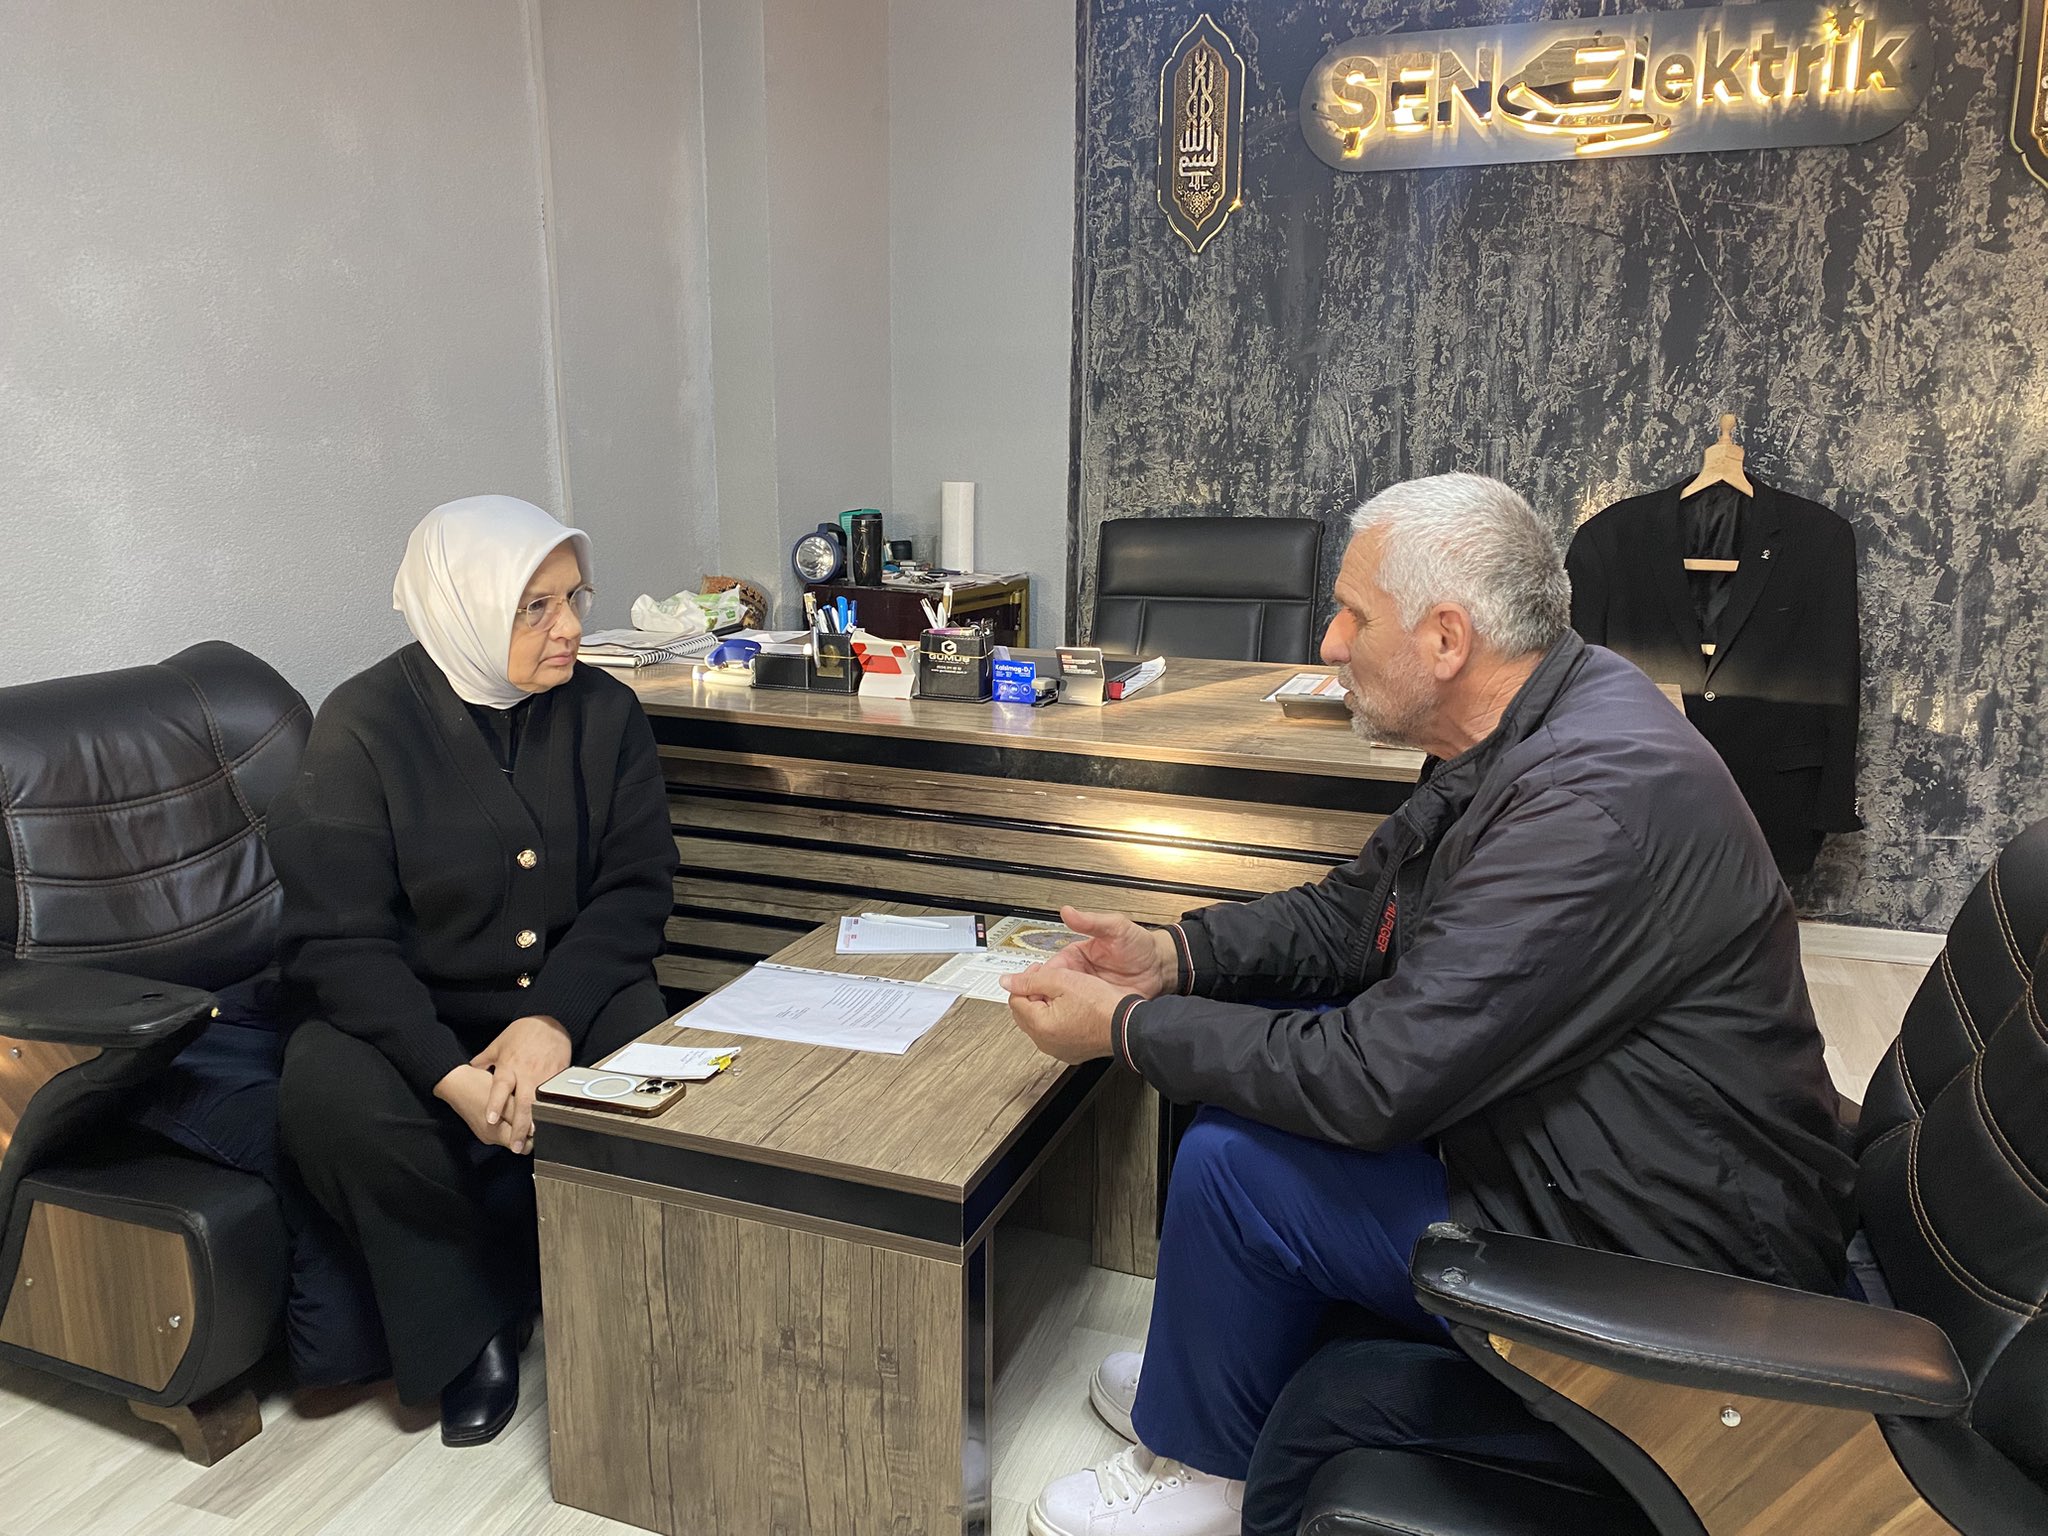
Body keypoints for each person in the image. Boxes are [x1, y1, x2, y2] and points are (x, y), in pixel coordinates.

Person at [1003, 474, 1856, 1536]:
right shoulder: (1537, 720)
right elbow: (1355, 918)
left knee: (1238, 1165)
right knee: (1241, 1067)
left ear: (1446, 639)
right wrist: (1174, 957)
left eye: (1351, 615)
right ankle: (1208, 1370)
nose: (1327, 643)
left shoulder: (1585, 804)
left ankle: (1208, 1470)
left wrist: (1123, 1028)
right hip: (1585, 1145)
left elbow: (1376, 1080)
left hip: (1658, 1250)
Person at [272, 495, 679, 1446]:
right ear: (463, 608)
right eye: (535, 607)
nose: (569, 627)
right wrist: (450, 1077)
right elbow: (339, 942)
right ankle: (468, 1330)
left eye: (574, 598)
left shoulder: (606, 712)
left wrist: (552, 1021)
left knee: (648, 1063)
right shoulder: (362, 725)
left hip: (572, 991)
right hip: (417, 1007)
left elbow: (636, 888)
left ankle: (625, 1300)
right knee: (325, 1087)